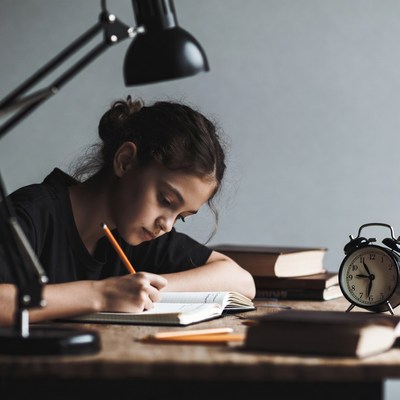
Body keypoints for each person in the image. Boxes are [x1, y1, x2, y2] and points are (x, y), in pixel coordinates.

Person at [0, 96, 255, 326]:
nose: (166, 225)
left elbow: (241, 280)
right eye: (166, 200)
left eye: (181, 218)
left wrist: (147, 290)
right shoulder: (30, 214)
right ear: (125, 161)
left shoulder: (136, 232)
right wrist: (102, 295)